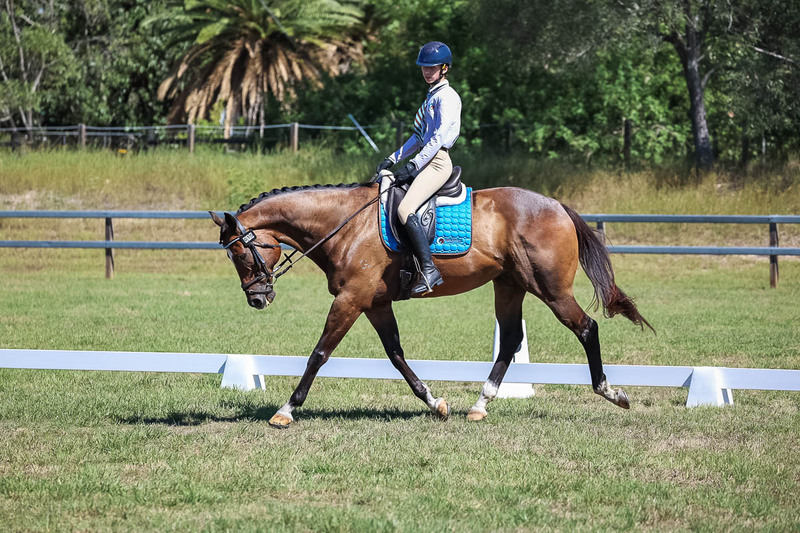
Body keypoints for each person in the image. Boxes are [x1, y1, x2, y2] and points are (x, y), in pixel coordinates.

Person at [376, 41, 462, 295]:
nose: (427, 71)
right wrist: (392, 159)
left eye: (432, 67)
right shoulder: (432, 96)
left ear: (445, 68)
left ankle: (429, 268)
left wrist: (413, 166)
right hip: (427, 158)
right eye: (424, 67)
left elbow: (436, 139)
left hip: (437, 162)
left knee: (405, 208)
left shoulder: (447, 97)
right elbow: (418, 137)